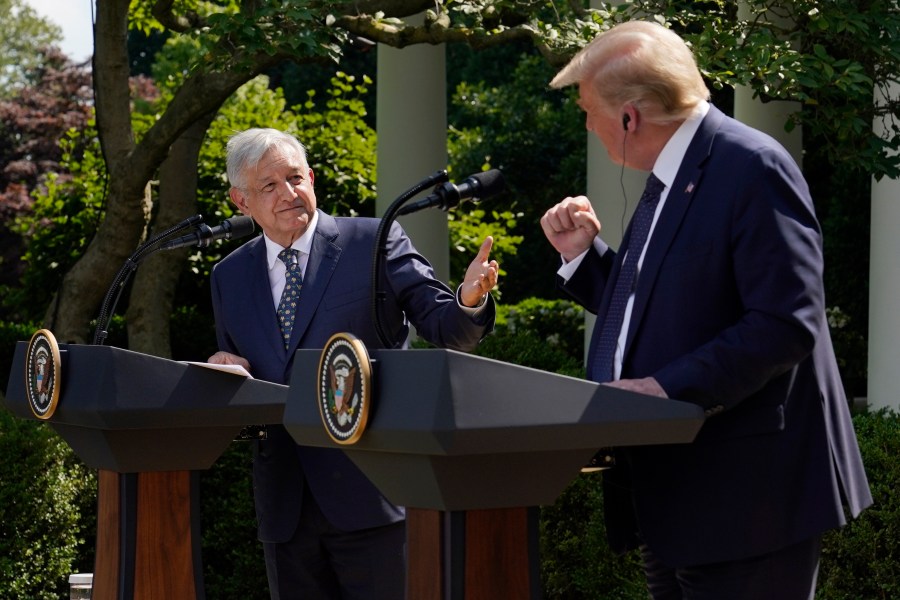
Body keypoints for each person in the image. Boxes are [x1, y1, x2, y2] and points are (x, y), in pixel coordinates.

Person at [540, 21, 872, 600]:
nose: (586, 124)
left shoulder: (750, 166)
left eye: (588, 110)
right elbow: (675, 303)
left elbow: (786, 320)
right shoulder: (674, 172)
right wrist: (585, 260)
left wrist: (665, 389)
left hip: (748, 503)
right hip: (680, 499)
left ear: (630, 117)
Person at [208, 128, 498, 599]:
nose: (288, 193)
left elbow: (446, 327)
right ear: (241, 201)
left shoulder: (371, 241)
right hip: (285, 505)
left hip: (374, 494)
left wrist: (467, 298)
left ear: (313, 179)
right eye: (269, 186)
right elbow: (244, 374)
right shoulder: (229, 276)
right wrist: (221, 370)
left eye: (295, 177)